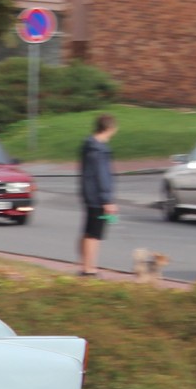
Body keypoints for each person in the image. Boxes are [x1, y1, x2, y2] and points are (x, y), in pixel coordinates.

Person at [78, 113, 118, 276]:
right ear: (110, 128)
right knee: (95, 234)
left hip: (90, 195)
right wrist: (108, 200)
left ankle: (85, 265)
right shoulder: (100, 150)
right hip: (99, 198)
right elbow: (102, 175)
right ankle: (89, 269)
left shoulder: (89, 145)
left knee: (88, 232)